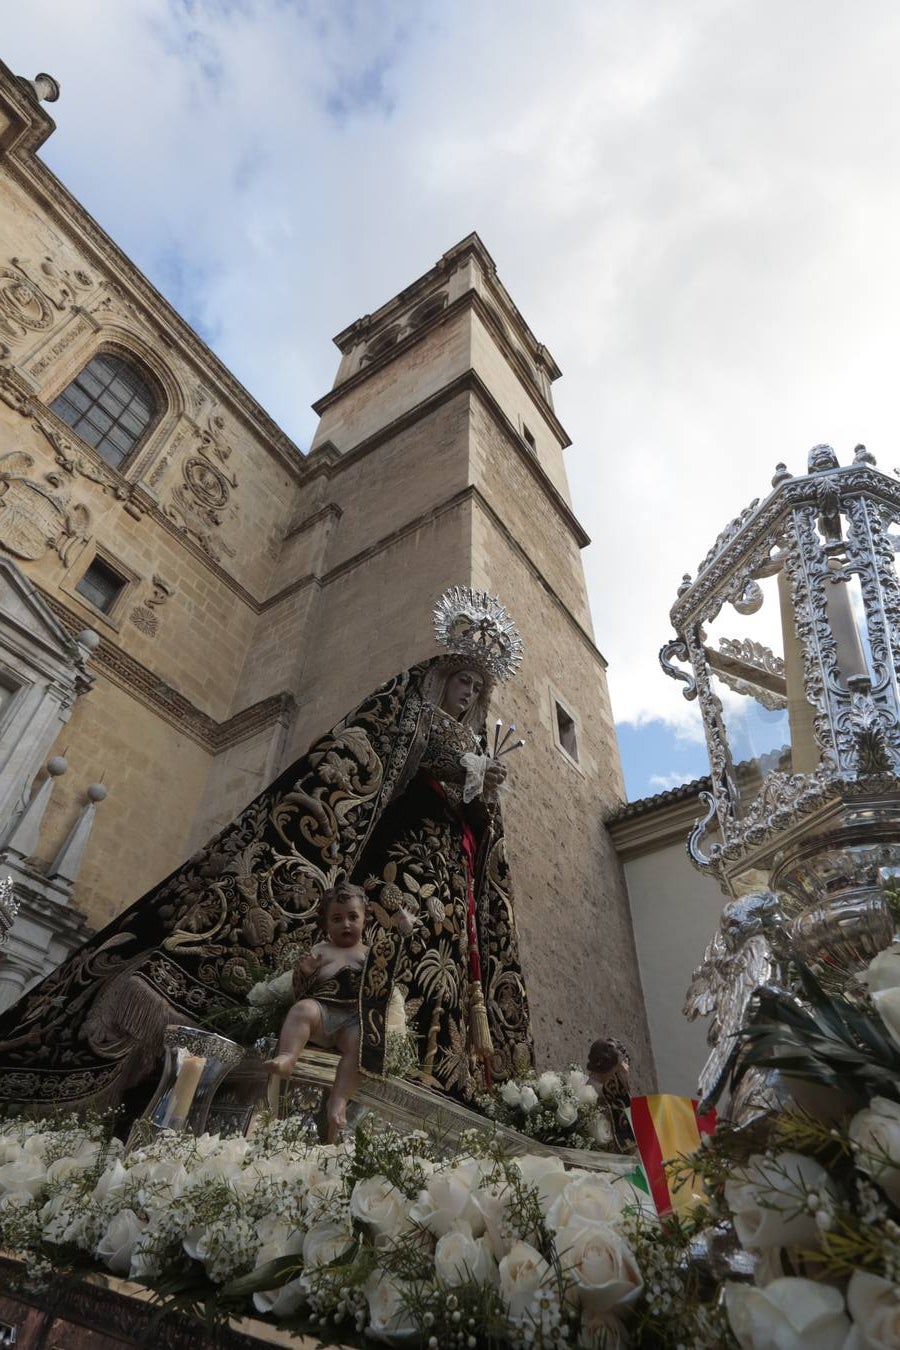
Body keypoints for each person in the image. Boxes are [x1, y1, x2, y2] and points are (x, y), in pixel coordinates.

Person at [0, 587, 534, 1114]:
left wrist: (483, 793)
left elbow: (483, 837)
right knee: (379, 952)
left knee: (436, 979)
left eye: (478, 688)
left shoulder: (477, 745)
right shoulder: (409, 708)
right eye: (463, 679)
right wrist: (452, 766)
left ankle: (434, 1070)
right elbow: (377, 756)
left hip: (448, 887)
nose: (469, 692)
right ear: (442, 676)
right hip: (396, 871)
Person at [264, 881, 413, 1139]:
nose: (346, 924)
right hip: (322, 1012)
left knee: (360, 1046)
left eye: (352, 917)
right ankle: (288, 1056)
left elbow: (389, 967)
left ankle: (339, 1099)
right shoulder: (321, 951)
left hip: (353, 1020)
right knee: (301, 1010)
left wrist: (402, 931)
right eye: (337, 918)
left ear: (365, 920)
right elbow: (301, 990)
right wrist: (305, 973)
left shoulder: (369, 954)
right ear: (326, 924)